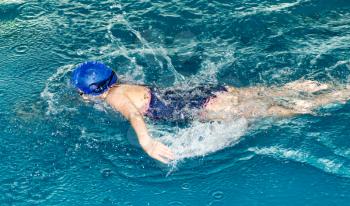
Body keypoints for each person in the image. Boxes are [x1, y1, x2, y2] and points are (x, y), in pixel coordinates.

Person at [71, 61, 350, 163]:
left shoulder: (115, 99)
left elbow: (134, 115)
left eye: (81, 92)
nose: (80, 95)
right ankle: (324, 86)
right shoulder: (123, 85)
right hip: (208, 91)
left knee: (276, 111)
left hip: (206, 107)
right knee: (269, 92)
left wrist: (147, 142)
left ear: (95, 91)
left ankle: (339, 96)